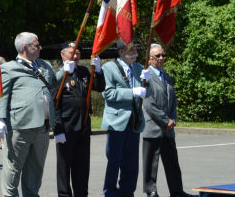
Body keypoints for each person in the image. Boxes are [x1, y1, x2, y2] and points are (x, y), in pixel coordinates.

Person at [0, 32, 59, 197]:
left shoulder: (43, 65)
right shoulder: (9, 68)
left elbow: (54, 82)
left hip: (42, 126)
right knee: (13, 169)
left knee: (35, 170)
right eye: (36, 45)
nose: (40, 48)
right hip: (20, 126)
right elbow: (1, 94)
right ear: (25, 48)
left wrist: (66, 68)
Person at [142, 44, 195, 197]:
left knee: (172, 162)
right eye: (158, 56)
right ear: (150, 59)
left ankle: (177, 191)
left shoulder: (167, 76)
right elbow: (148, 103)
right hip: (153, 126)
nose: (161, 58)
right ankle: (151, 191)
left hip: (168, 128)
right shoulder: (145, 76)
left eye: (162, 55)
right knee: (151, 163)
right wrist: (165, 120)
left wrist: (172, 119)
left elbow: (173, 100)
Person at [53, 43, 105, 197]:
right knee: (64, 168)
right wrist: (57, 128)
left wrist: (99, 71)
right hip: (66, 127)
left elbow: (99, 87)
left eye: (78, 53)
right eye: (72, 53)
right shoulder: (58, 74)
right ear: (63, 55)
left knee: (82, 167)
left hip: (83, 126)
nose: (75, 56)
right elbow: (53, 103)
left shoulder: (83, 71)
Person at [102, 42, 147, 197]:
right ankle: (110, 192)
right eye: (132, 49)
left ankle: (127, 192)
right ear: (121, 51)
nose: (135, 52)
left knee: (131, 162)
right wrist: (132, 92)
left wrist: (148, 82)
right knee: (114, 160)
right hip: (117, 120)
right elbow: (108, 94)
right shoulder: (109, 68)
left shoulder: (139, 68)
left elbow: (146, 93)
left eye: (136, 48)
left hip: (134, 119)